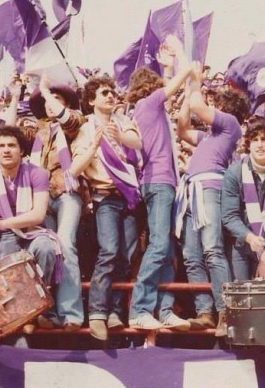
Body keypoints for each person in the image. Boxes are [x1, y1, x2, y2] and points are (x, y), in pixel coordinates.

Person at [174, 62, 249, 336]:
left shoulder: (231, 125)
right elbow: (182, 129)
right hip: (193, 191)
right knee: (191, 255)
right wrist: (186, 90)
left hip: (209, 187)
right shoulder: (209, 136)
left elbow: (196, 106)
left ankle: (226, 313)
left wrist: (193, 79)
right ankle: (205, 312)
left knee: (212, 249)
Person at [126, 35, 193, 333]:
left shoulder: (148, 109)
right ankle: (140, 309)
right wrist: (180, 57)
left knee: (166, 249)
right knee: (158, 245)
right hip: (159, 182)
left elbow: (167, 89)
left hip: (163, 182)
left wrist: (166, 67)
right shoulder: (149, 102)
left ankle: (164, 309)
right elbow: (177, 82)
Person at [71, 76, 142, 340]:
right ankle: (98, 313)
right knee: (109, 251)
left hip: (130, 198)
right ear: (91, 101)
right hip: (105, 198)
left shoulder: (124, 121)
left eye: (113, 91)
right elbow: (75, 169)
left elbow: (138, 144)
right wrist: (93, 147)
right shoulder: (85, 128)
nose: (111, 96)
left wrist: (120, 136)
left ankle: (114, 312)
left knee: (126, 255)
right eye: (104, 93)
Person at [0, 126, 61, 330]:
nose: (6, 150)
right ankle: (25, 316)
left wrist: (2, 222)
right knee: (12, 267)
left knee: (47, 248)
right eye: (1, 146)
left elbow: (38, 215)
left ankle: (39, 308)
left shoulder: (37, 173)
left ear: (21, 150)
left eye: (12, 145)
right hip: (3, 237)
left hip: (32, 231)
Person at [26, 75, 85, 331]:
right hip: (40, 195)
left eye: (56, 99)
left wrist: (46, 91)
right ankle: (45, 312)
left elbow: (68, 119)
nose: (51, 105)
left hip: (66, 192)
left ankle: (71, 314)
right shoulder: (36, 130)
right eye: (47, 101)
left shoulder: (76, 124)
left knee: (67, 244)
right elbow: (9, 136)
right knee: (46, 248)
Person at [221, 123, 265, 283]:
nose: (259, 145)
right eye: (255, 140)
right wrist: (250, 238)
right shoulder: (234, 173)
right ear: (249, 144)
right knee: (242, 294)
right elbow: (229, 216)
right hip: (241, 245)